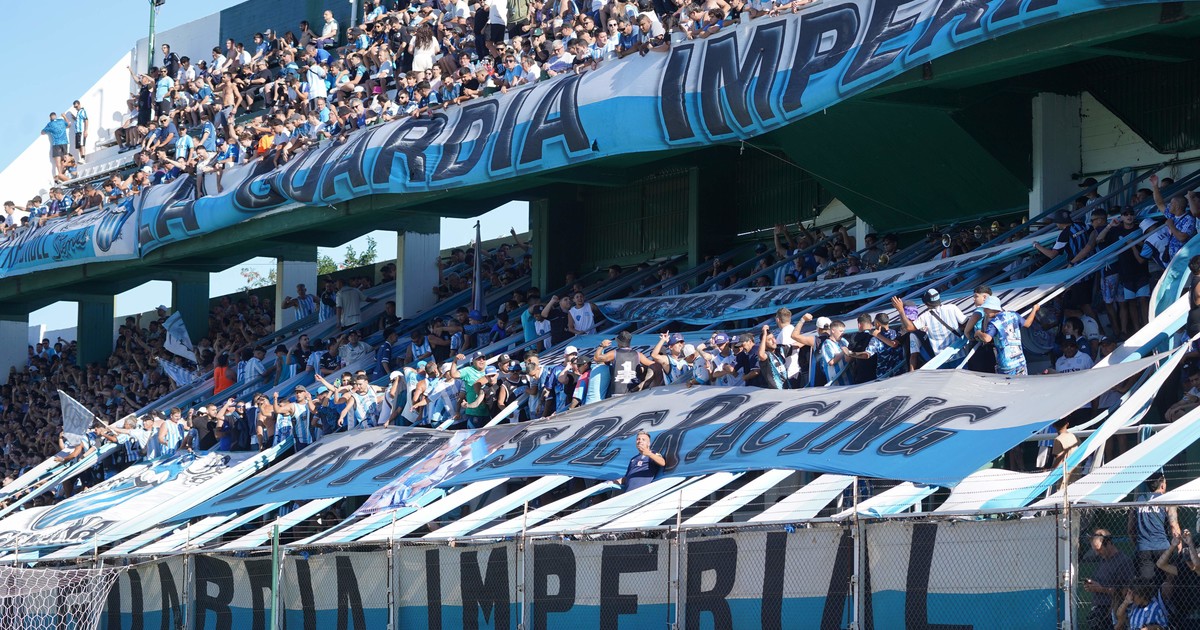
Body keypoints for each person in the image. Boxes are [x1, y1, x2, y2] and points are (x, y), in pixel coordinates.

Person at [1129, 471, 1181, 580]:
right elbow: (1173, 525)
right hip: (1163, 547)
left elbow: (1130, 529)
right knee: (1168, 580)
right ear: (1162, 485)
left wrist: (1139, 544)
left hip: (1143, 548)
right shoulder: (1167, 500)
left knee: (1147, 583)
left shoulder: (1138, 500)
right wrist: (1179, 546)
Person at [893, 289, 968, 358]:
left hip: (941, 358)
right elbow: (965, 322)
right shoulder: (952, 308)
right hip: (959, 352)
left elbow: (909, 327)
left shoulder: (925, 316)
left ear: (926, 303)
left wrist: (901, 310)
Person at [1087, 529, 1136, 630]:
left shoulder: (1123, 562)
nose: (1097, 553)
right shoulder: (1103, 560)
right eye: (1095, 550)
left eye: (1099, 549)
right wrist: (1092, 586)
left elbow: (1126, 592)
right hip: (1098, 610)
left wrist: (1101, 589)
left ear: (1108, 543)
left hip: (1111, 610)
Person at [972, 295, 1030, 376]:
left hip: (1006, 364)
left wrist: (978, 332)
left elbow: (987, 338)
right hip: (1020, 361)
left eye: (986, 308)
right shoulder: (1013, 314)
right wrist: (1034, 310)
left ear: (992, 308)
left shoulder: (994, 322)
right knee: (1022, 383)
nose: (984, 311)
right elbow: (1027, 323)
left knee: (1008, 384)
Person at [593, 331, 655, 396]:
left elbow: (596, 358)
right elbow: (653, 364)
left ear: (618, 342)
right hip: (634, 391)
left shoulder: (614, 353)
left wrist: (601, 346)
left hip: (618, 392)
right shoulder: (638, 354)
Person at [41, 113, 71, 178]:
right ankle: (65, 173)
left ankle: (60, 174)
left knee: (58, 161)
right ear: (55, 116)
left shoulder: (50, 124)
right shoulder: (61, 121)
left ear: (50, 117)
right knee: (65, 158)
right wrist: (64, 116)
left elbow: (42, 132)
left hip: (56, 144)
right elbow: (69, 125)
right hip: (64, 142)